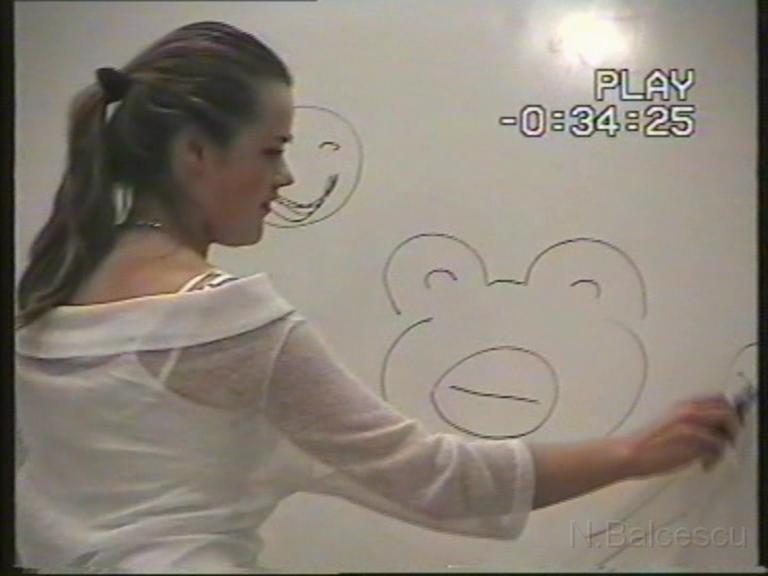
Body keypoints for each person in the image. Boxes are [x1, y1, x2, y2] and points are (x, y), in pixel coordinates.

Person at [14, 21, 743, 574]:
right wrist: (631, 454)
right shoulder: (225, 324)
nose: (286, 178)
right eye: (272, 150)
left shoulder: (50, 299)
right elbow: (438, 478)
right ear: (196, 153)